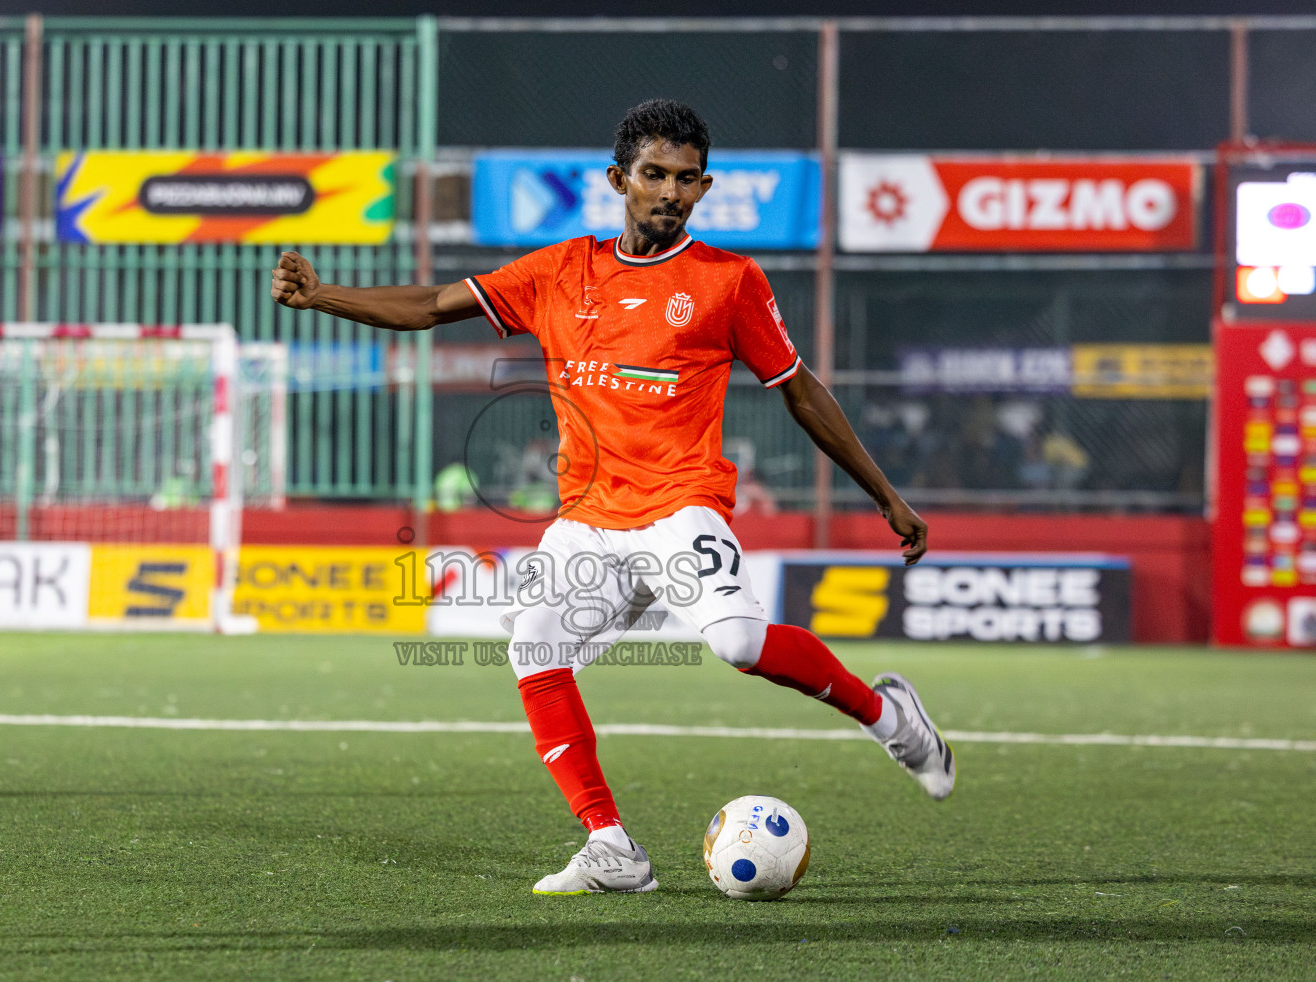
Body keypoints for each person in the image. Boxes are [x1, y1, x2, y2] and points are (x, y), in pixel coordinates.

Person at [272, 99, 953, 896]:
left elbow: (798, 389)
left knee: (739, 644)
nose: (670, 192)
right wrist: (323, 296)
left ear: (704, 187)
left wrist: (885, 495)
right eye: (654, 175)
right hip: (588, 521)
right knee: (533, 647)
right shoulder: (558, 272)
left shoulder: (729, 281)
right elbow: (430, 306)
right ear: (617, 179)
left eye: (687, 179)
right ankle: (611, 848)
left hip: (680, 505)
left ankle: (891, 719)